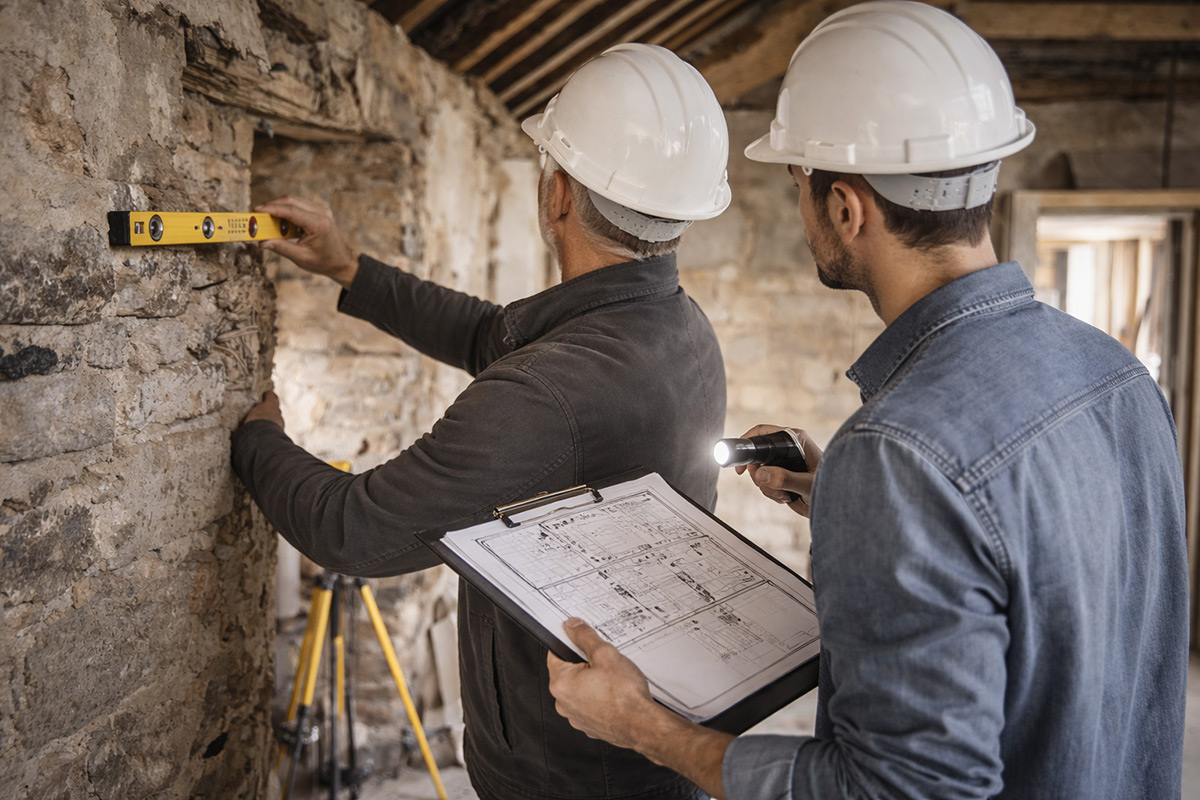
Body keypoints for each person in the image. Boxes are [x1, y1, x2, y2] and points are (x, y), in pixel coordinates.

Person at [546, 4, 1189, 799]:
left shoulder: (899, 454)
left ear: (846, 208)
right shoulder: (1115, 372)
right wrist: (845, 504)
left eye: (798, 183)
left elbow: (895, 790)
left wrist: (646, 727)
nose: (801, 205)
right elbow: (1041, 577)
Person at [233, 43, 732, 800]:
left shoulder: (547, 392)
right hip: (637, 752)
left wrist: (252, 436)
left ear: (557, 193)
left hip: (565, 777)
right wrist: (349, 269)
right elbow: (487, 334)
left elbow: (353, 531)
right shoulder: (673, 325)